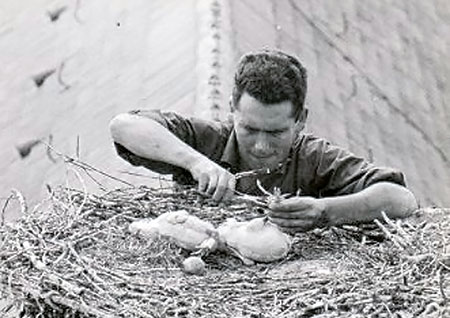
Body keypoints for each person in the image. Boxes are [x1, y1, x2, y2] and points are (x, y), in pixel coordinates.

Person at [110, 49, 418, 230]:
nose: (260, 145)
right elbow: (123, 126)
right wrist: (194, 161)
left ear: (300, 120)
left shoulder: (315, 157)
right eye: (248, 128)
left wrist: (326, 211)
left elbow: (401, 199)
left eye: (276, 133)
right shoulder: (208, 140)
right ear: (232, 109)